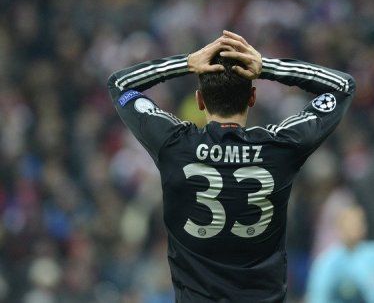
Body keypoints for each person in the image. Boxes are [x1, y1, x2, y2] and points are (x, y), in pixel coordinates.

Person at [107, 30, 356, 302]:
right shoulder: (279, 148)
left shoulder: (174, 144)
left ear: (199, 100)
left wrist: (187, 62)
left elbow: (119, 84)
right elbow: (343, 86)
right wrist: (267, 66)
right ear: (252, 98)